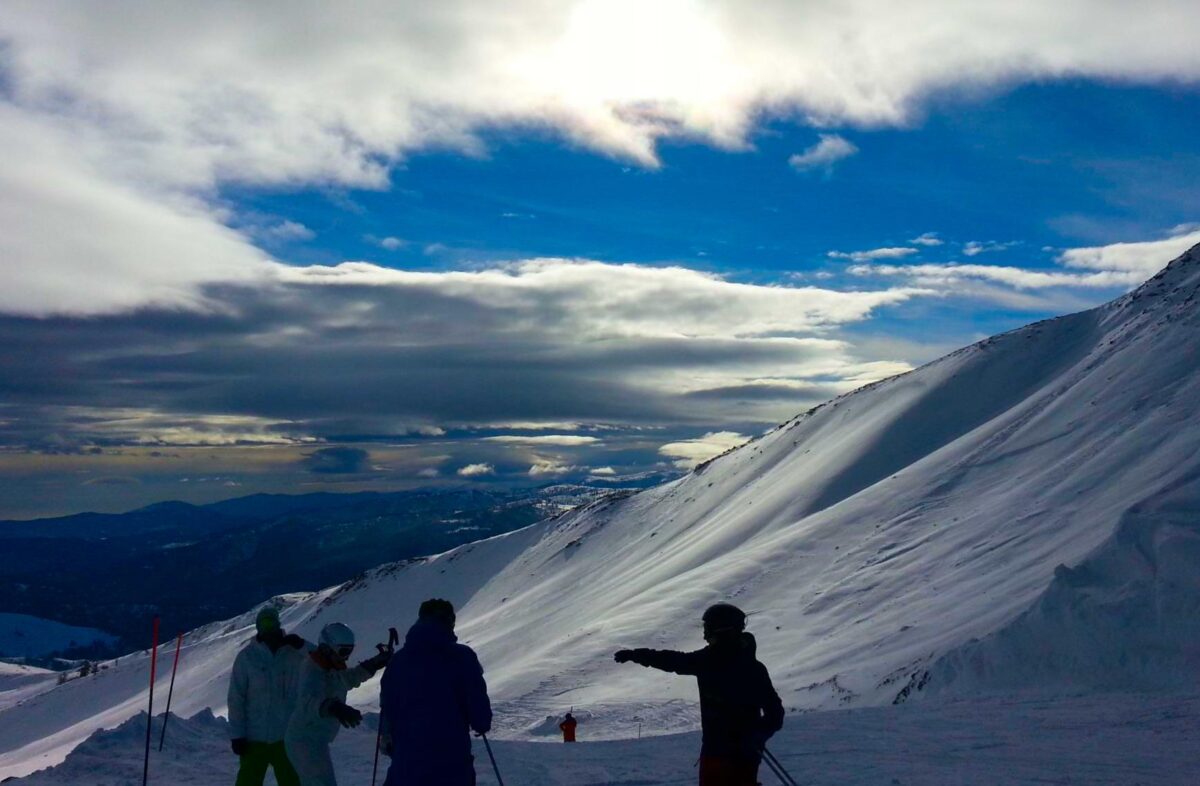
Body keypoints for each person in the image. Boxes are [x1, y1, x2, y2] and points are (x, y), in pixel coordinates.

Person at [614, 603, 784, 786]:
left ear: (719, 630)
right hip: (734, 751)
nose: (704, 635)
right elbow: (775, 715)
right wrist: (757, 736)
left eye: (707, 628)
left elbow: (673, 661)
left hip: (728, 753)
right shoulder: (739, 665)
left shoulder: (714, 662)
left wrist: (756, 736)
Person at [378, 598, 493, 786]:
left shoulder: (397, 661)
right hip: (451, 765)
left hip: (406, 766)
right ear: (449, 622)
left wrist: (390, 741)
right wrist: (480, 724)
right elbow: (480, 714)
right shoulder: (462, 657)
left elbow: (387, 706)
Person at [285, 622, 391, 786]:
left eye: (349, 651)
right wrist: (334, 707)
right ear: (327, 648)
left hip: (313, 739)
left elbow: (348, 679)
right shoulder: (312, 668)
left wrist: (374, 664)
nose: (346, 657)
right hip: (304, 739)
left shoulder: (330, 667)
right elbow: (307, 701)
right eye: (343, 651)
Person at [227, 606, 310, 786]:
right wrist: (237, 734)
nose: (268, 629)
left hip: (286, 736)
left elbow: (321, 661)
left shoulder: (294, 653)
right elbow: (236, 698)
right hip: (253, 738)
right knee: (247, 782)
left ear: (278, 625)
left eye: (271, 623)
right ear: (258, 628)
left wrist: (302, 645)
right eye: (263, 624)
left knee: (292, 782)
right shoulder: (247, 657)